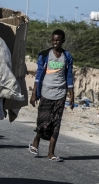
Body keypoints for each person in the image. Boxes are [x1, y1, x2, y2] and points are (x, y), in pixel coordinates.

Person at [29, 29, 75, 161]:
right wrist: (34, 94)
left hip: (60, 94)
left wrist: (72, 96)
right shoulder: (45, 55)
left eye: (58, 40)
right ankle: (36, 142)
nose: (55, 42)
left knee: (56, 123)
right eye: (53, 40)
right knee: (43, 121)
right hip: (46, 92)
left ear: (63, 41)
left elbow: (69, 76)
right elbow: (38, 76)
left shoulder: (67, 57)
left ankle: (51, 153)